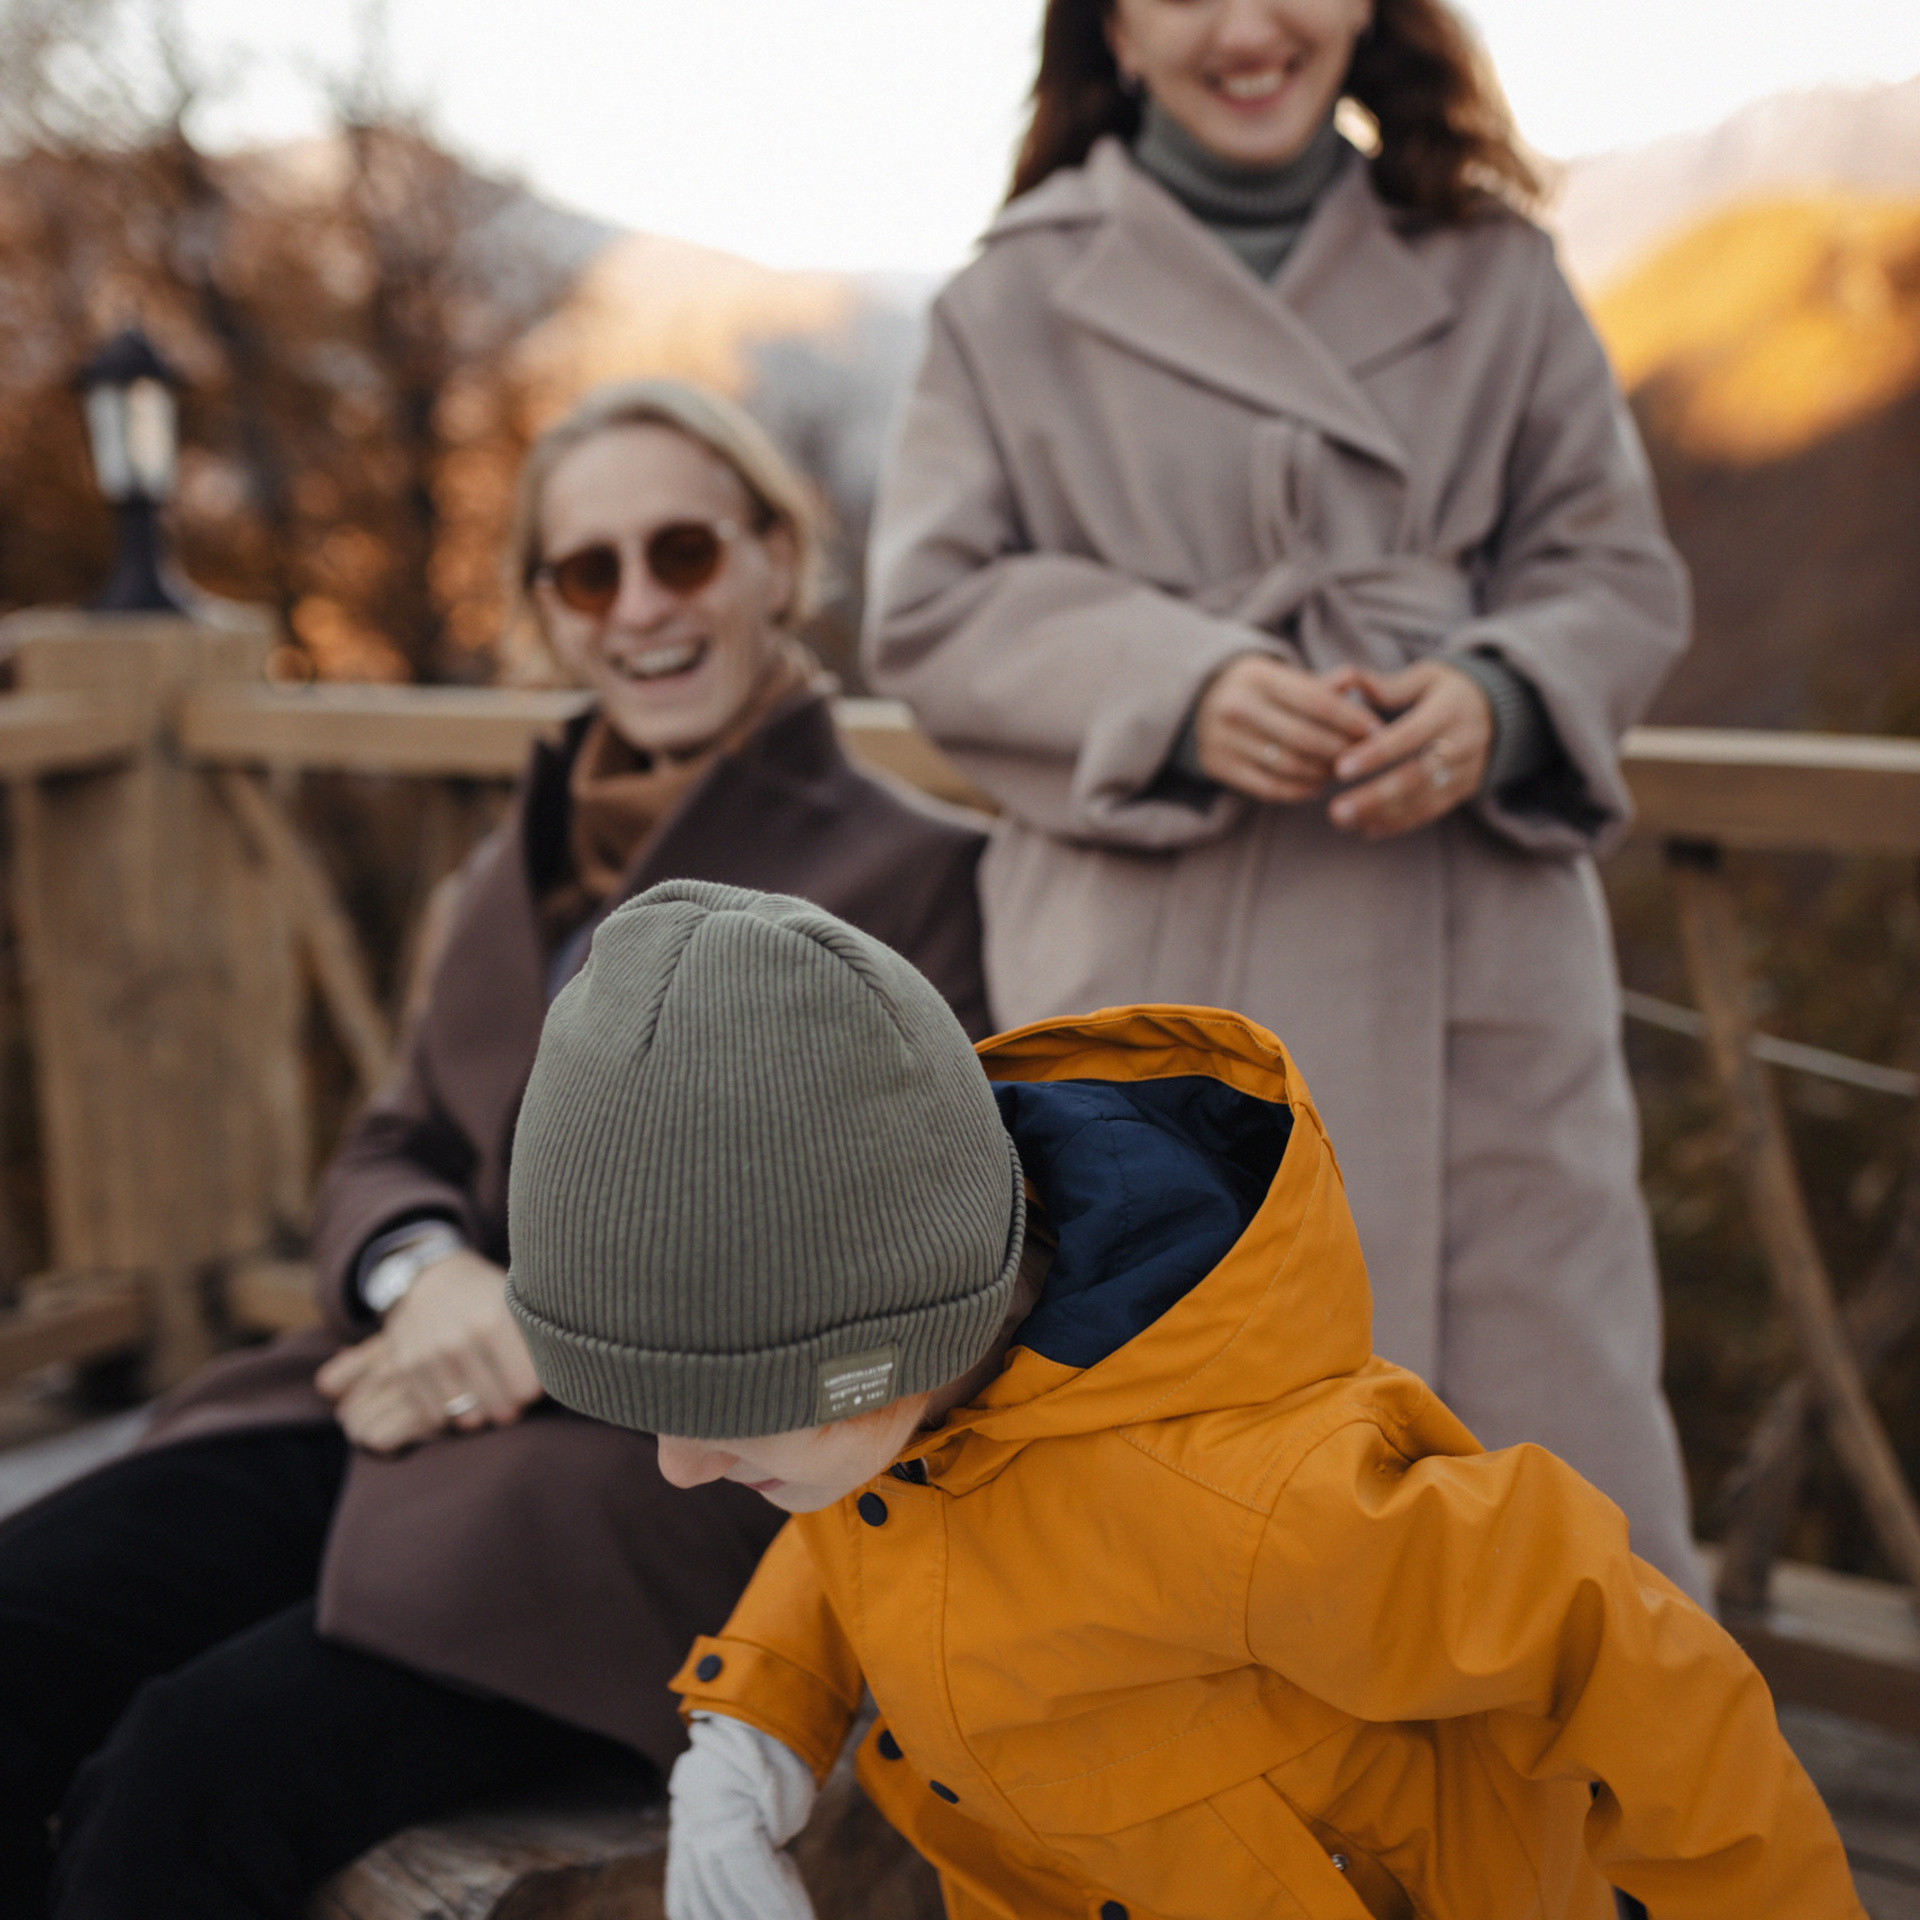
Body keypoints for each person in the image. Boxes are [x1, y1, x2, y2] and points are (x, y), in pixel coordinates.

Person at [0, 380, 990, 1918]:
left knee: (184, 1771)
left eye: (683, 552)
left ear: (776, 561)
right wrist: (425, 1278)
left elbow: (899, 1237)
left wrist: (535, 1329)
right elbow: (390, 1144)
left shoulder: (915, 876)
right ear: (543, 604)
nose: (640, 607)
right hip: (387, 1395)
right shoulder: (500, 869)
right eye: (587, 572)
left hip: (634, 1486)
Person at [504, 881, 1862, 1920]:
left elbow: (1628, 1664)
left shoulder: (1257, 1498)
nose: (682, 1467)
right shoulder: (892, 1415)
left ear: (899, 1327)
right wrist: (756, 1724)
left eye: (730, 1406)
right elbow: (868, 1514)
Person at [863, 0, 1703, 1593]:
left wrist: (1498, 696)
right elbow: (931, 609)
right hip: (1162, 973)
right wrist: (1172, 684)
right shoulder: (1010, 297)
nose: (1250, 28)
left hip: (1474, 960)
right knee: (1183, 1511)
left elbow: (1612, 569)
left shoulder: (1495, 268)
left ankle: (1596, 1840)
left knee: (1548, 1477)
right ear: (1111, 24)